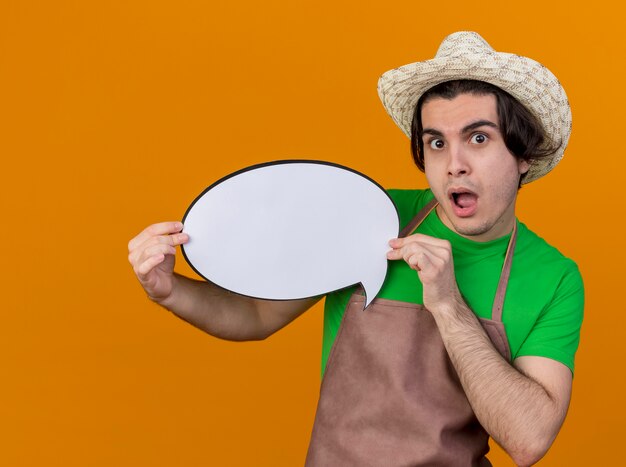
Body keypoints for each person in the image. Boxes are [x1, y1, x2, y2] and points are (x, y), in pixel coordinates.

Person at [128, 31, 583, 466]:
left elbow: (528, 440)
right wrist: (170, 292)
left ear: (524, 153)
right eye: (436, 143)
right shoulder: (370, 216)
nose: (454, 165)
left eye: (478, 138)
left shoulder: (554, 278)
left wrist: (448, 305)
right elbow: (257, 317)